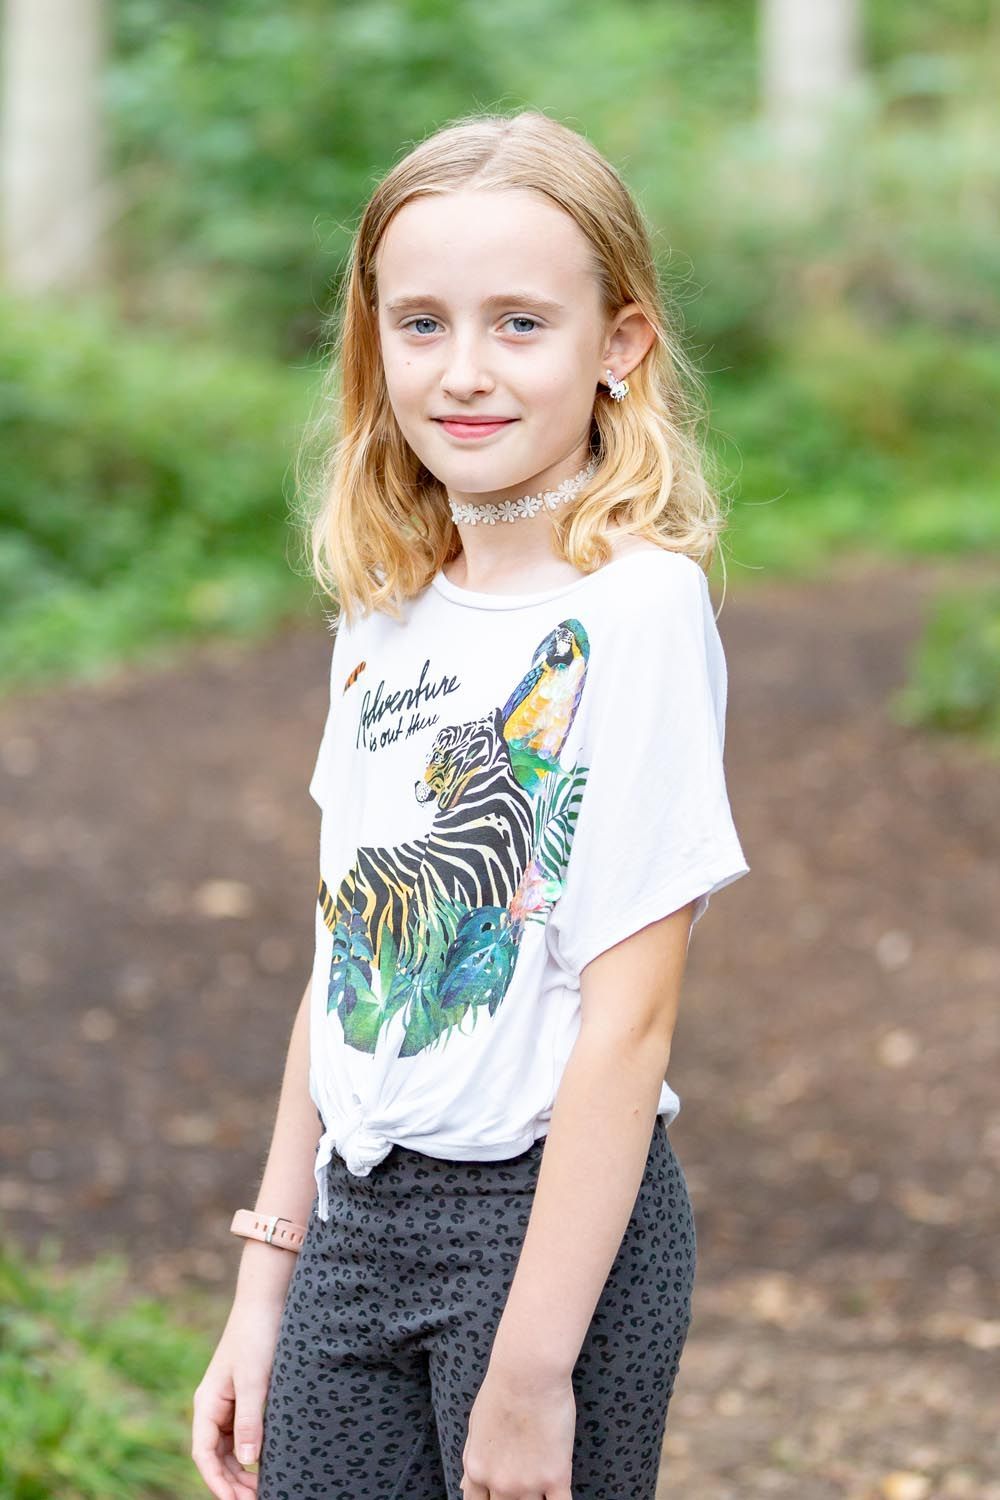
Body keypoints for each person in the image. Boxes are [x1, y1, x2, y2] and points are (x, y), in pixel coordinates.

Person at [191, 107, 750, 1500]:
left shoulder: (636, 612)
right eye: (422, 323)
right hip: (354, 1228)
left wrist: (532, 1371)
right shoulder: (384, 611)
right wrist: (266, 1283)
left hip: (546, 1238)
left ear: (619, 344)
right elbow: (342, 959)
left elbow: (629, 1023)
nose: (464, 371)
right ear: (373, 341)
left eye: (520, 324)